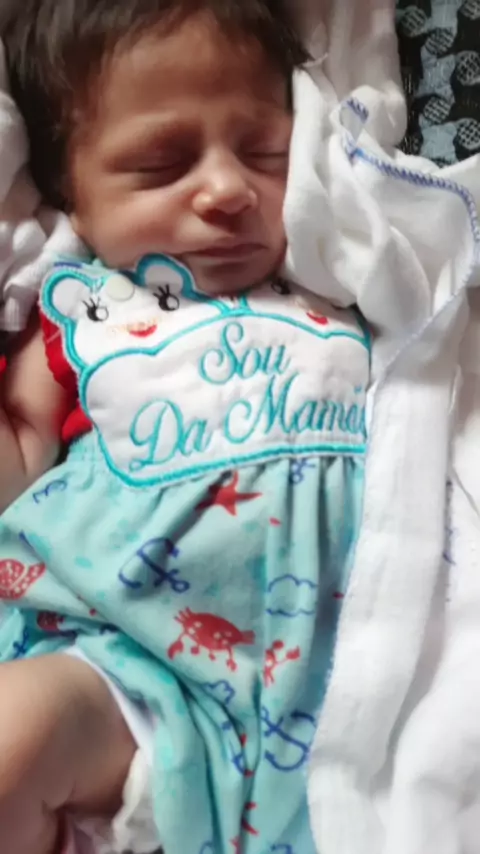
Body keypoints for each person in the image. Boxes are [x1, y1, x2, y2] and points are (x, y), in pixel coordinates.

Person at [0, 1, 368, 852]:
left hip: (345, 673)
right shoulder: (82, 312)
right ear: (71, 198)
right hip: (128, 668)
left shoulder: (346, 284)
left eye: (265, 152)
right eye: (162, 164)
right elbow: (19, 452)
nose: (229, 189)